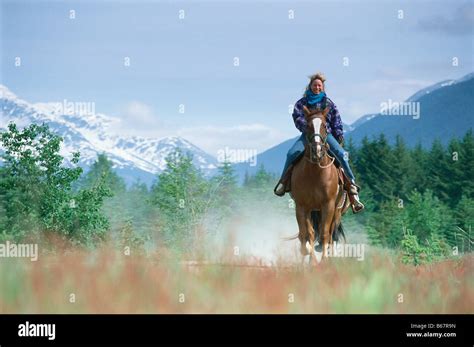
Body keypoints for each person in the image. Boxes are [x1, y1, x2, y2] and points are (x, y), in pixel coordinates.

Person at [273, 72, 364, 213]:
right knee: (292, 153)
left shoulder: (328, 103)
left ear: (323, 87)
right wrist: (308, 127)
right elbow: (297, 118)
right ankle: (283, 182)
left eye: (319, 85)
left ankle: (352, 187)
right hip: (308, 135)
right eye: (315, 85)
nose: (317, 87)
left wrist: (338, 135)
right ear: (310, 86)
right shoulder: (301, 103)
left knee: (342, 154)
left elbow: (336, 121)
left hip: (325, 135)